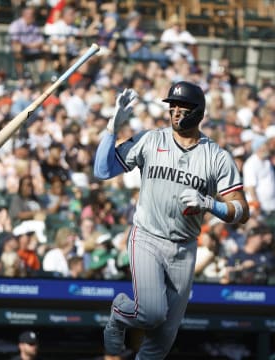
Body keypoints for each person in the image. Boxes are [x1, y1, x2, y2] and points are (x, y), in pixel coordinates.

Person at [93, 81, 249, 358]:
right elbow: (102, 170)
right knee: (151, 313)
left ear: (198, 111)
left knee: (161, 342)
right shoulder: (151, 140)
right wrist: (111, 129)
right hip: (148, 237)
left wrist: (210, 204)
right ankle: (118, 315)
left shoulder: (217, 157)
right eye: (172, 107)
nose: (176, 112)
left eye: (183, 107)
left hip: (184, 248)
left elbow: (241, 211)